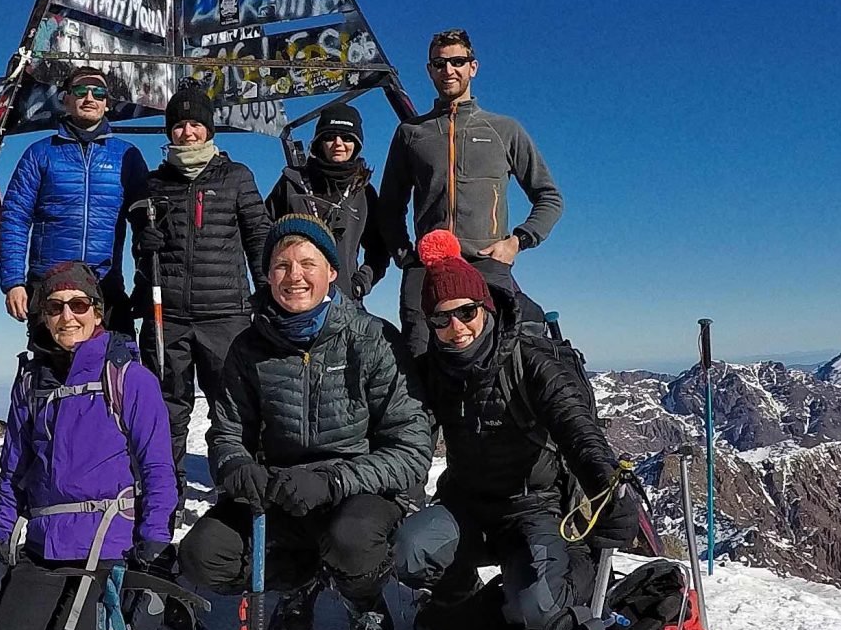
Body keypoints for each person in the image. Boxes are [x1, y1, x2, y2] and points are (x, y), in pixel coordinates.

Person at [179, 216, 432, 630]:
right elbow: (227, 431)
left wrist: (335, 480)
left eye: (307, 263)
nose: (294, 276)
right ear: (268, 275)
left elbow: (411, 450)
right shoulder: (249, 347)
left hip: (358, 489)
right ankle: (303, 578)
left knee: (352, 540)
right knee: (204, 555)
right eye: (281, 265)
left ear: (331, 272)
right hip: (284, 489)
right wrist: (237, 468)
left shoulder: (371, 340)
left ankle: (362, 597)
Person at [392, 231, 639, 630]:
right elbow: (405, 432)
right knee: (409, 552)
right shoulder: (433, 369)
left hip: (535, 506)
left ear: (485, 306)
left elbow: (577, 429)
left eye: (467, 312)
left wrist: (605, 486)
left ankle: (577, 565)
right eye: (441, 318)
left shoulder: (531, 360)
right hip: (467, 504)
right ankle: (459, 597)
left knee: (539, 609)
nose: (456, 328)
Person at [0, 262, 176, 630]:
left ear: (98, 312)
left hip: (105, 542)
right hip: (45, 543)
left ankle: (129, 604)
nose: (68, 316)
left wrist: (154, 537)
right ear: (43, 317)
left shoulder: (128, 377)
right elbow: (13, 470)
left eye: (79, 304)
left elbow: (157, 463)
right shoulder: (31, 382)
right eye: (55, 307)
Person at [379, 27, 563, 355]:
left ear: (472, 67)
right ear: (429, 70)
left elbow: (548, 196)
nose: (448, 70)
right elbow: (390, 205)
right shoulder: (411, 133)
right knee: (419, 360)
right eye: (439, 64)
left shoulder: (504, 130)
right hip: (428, 266)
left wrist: (517, 242)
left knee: (499, 358)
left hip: (487, 263)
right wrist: (405, 256)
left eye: (457, 62)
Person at [129, 79, 268, 486]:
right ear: (169, 131)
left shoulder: (235, 177)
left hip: (226, 316)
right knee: (167, 407)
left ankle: (235, 490)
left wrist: (265, 292)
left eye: (195, 124)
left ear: (209, 129)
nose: (187, 132)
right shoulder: (156, 184)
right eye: (178, 125)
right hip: (167, 315)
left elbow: (259, 236)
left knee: (233, 408)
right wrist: (144, 242)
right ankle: (164, 495)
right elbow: (143, 253)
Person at [0, 66, 147, 334]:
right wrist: (13, 282)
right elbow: (14, 218)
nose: (89, 97)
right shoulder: (40, 154)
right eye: (80, 91)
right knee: (51, 373)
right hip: (49, 286)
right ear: (65, 99)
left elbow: (145, 225)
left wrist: (145, 281)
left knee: (117, 370)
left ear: (107, 103)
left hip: (105, 285)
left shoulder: (127, 157)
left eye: (98, 92)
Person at [264, 103, 388, 302]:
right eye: (330, 137)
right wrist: (273, 280)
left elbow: (379, 250)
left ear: (356, 144)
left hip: (345, 302)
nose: (338, 143)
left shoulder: (364, 193)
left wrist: (360, 284)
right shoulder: (291, 184)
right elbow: (262, 236)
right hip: (295, 298)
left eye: (347, 138)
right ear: (319, 142)